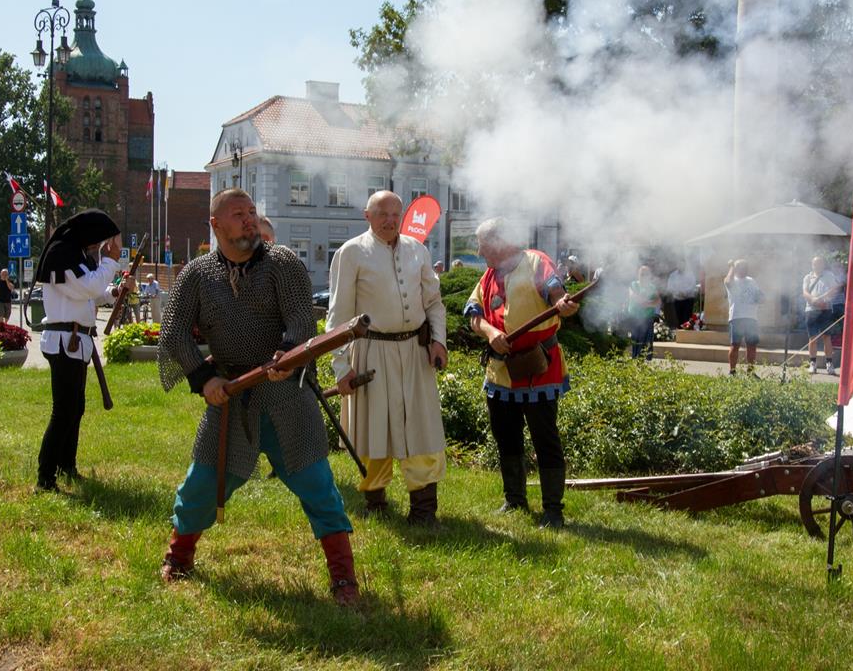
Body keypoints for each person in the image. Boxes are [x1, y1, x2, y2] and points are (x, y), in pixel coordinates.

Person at [156, 189, 359, 606]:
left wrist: (287, 355)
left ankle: (343, 578)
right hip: (230, 398)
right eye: (238, 214)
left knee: (318, 485)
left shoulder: (282, 263)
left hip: (285, 395)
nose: (249, 219)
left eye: (252, 211)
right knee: (201, 485)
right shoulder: (197, 274)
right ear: (216, 225)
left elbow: (301, 320)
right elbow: (174, 334)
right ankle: (179, 557)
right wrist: (205, 379)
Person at [327, 191, 448, 525]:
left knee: (421, 428)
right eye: (382, 214)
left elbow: (434, 302)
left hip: (414, 352)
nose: (390, 220)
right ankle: (376, 503)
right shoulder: (351, 253)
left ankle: (424, 510)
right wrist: (342, 367)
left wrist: (438, 341)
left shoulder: (418, 250)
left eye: (396, 214)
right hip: (371, 352)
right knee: (374, 429)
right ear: (367, 216)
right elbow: (338, 316)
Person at [464, 217, 578, 528]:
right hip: (501, 371)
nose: (479, 251)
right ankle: (514, 499)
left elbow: (555, 290)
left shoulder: (536, 262)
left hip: (539, 368)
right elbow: (473, 313)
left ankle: (553, 509)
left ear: (500, 242)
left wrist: (562, 303)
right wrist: (490, 333)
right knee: (506, 436)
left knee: (545, 438)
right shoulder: (489, 275)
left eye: (483, 245)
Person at [34, 209, 122, 492]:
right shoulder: (63, 254)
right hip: (64, 341)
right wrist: (110, 262)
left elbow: (91, 294)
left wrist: (114, 292)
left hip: (74, 341)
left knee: (75, 409)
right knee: (63, 411)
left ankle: (66, 465)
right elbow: (87, 288)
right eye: (98, 240)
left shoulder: (76, 257)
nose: (99, 246)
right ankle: (45, 477)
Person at [724, 259, 764, 376]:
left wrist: (760, 298)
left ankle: (750, 372)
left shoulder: (751, 281)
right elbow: (727, 282)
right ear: (736, 269)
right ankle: (732, 371)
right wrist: (731, 266)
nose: (745, 269)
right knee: (735, 345)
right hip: (737, 317)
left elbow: (759, 295)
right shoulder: (732, 280)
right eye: (741, 267)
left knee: (752, 346)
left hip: (751, 318)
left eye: (746, 267)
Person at [802, 256, 840, 375]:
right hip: (811, 309)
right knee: (812, 338)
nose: (817, 266)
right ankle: (813, 363)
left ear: (823, 265)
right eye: (815, 264)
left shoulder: (829, 275)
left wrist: (822, 299)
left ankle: (829, 363)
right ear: (812, 265)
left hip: (825, 309)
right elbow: (805, 292)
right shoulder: (807, 277)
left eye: (820, 263)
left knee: (826, 337)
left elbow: (834, 289)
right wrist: (813, 300)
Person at [627, 265, 661, 360]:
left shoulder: (652, 287)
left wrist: (647, 303)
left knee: (647, 343)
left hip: (647, 318)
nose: (644, 276)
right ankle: (636, 360)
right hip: (635, 317)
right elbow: (633, 297)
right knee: (636, 340)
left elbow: (658, 301)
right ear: (638, 275)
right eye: (642, 274)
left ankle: (645, 362)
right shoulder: (633, 284)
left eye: (646, 274)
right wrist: (648, 302)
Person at [666, 260, 700, 330]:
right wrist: (678, 292)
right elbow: (670, 287)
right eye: (679, 264)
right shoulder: (673, 275)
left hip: (688, 299)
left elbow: (692, 285)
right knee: (678, 318)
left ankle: (687, 333)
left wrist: (685, 292)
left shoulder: (690, 274)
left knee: (687, 319)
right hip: (677, 299)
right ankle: (679, 333)